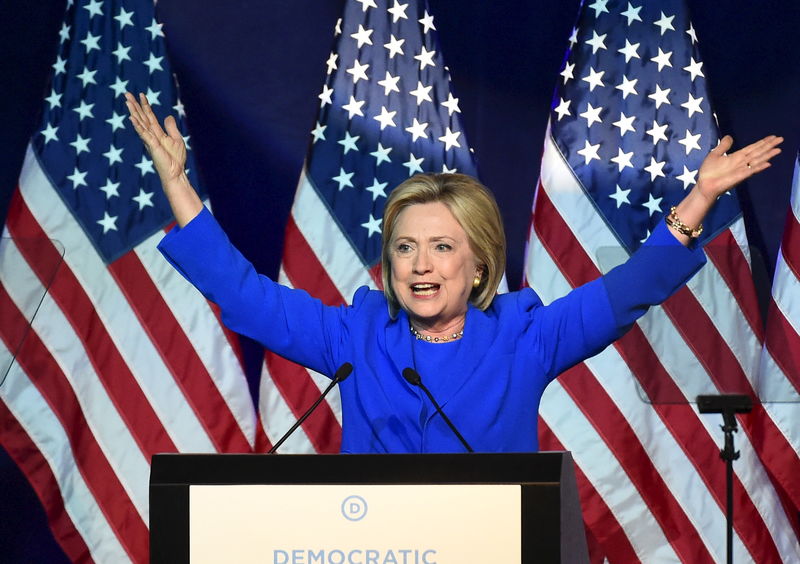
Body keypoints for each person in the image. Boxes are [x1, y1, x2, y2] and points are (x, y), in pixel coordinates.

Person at [125, 92, 782, 454]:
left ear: (477, 267)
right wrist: (180, 187)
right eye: (405, 247)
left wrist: (698, 200)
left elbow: (629, 291)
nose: (418, 264)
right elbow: (247, 299)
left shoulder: (524, 337)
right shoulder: (356, 337)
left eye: (440, 247)